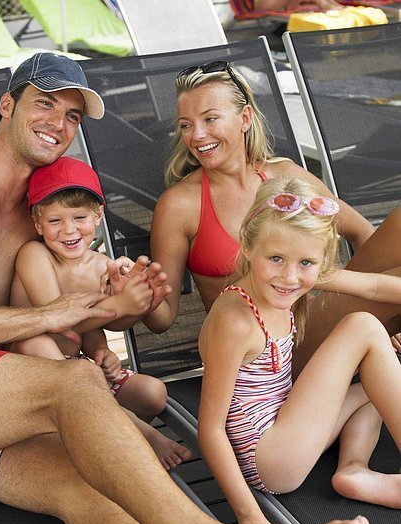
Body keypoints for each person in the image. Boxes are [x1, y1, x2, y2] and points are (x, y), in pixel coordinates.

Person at [0, 52, 368, 524]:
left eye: (72, 116)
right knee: (75, 383)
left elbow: (75, 311)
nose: (58, 122)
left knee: (92, 491)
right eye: (44, 104)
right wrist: (56, 314)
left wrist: (122, 298)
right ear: (6, 105)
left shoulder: (42, 216)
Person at [144, 60, 401, 378]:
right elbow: (163, 319)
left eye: (210, 119)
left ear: (245, 118)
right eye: (185, 124)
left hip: (317, 317)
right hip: (266, 354)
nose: (197, 135)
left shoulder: (286, 176)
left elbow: (362, 233)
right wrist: (144, 298)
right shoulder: (179, 205)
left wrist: (371, 313)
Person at [198, 176, 401, 524]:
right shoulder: (235, 322)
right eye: (276, 258)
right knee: (364, 327)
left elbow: (373, 286)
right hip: (270, 460)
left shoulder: (288, 277)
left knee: (379, 380)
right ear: (247, 245)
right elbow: (211, 429)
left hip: (287, 427)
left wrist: (305, 270)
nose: (290, 277)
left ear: (320, 259)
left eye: (307, 264)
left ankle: (354, 470)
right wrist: (250, 518)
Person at [10, 156, 192, 469]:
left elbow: (90, 328)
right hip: (31, 372)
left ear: (97, 216)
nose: (68, 229)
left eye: (79, 217)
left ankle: (104, 431)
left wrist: (102, 351)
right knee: (33, 340)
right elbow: (57, 318)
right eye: (55, 221)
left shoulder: (101, 267)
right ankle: (134, 429)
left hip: (84, 371)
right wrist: (117, 305)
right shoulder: (34, 255)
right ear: (38, 224)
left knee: (153, 393)